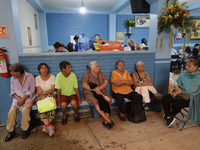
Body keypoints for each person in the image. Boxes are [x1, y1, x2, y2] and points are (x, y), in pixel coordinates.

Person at [162, 58, 200, 127]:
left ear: (196, 67)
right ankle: (169, 117)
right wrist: (176, 88)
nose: (187, 67)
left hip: (192, 97)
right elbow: (176, 82)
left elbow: (192, 90)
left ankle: (171, 115)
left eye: (189, 66)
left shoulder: (198, 77)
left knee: (176, 104)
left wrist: (177, 92)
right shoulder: (184, 73)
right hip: (180, 93)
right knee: (165, 98)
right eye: (186, 65)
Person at [5, 63, 36, 142]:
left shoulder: (30, 76)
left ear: (18, 72)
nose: (11, 73)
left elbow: (32, 90)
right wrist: (19, 99)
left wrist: (23, 99)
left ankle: (25, 129)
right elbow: (12, 92)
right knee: (11, 112)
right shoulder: (12, 79)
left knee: (25, 110)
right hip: (17, 99)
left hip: (28, 98)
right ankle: (11, 131)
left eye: (12, 72)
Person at [81, 61, 114, 129]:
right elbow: (84, 85)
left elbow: (106, 82)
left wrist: (99, 88)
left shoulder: (101, 73)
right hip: (90, 93)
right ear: (91, 68)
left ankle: (106, 121)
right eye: (97, 67)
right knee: (96, 102)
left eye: (98, 66)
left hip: (101, 91)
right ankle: (108, 120)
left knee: (106, 101)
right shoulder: (86, 75)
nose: (98, 68)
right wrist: (95, 90)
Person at [55, 61, 82, 125]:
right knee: (63, 105)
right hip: (63, 95)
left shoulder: (73, 75)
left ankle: (76, 114)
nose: (70, 68)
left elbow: (76, 88)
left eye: (70, 67)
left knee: (74, 104)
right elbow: (58, 90)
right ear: (63, 69)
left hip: (72, 94)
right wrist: (58, 101)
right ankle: (64, 115)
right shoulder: (59, 76)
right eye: (68, 67)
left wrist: (79, 99)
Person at [35, 63, 56, 136]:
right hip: (41, 95)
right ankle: (50, 127)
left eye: (45, 68)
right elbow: (38, 89)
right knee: (41, 108)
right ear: (39, 70)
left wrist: (44, 93)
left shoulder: (52, 77)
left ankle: (46, 126)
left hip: (51, 94)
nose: (44, 70)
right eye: (42, 68)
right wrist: (43, 95)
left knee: (52, 107)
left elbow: (53, 89)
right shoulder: (37, 78)